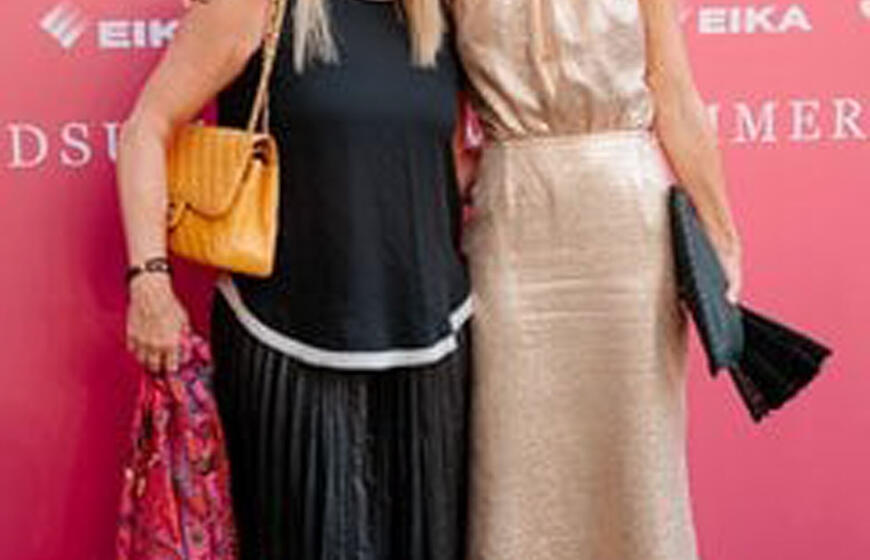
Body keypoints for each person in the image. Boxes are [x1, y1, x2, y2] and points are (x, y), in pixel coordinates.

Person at [117, 0, 471, 558]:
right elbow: (147, 128)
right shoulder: (254, 7)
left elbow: (441, 163)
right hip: (287, 335)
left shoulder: (432, 17)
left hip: (428, 341)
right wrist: (149, 279)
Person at [451, 0, 742, 558]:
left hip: (622, 234)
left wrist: (721, 232)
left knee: (637, 451)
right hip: (513, 231)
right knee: (516, 456)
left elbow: (674, 96)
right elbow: (441, 120)